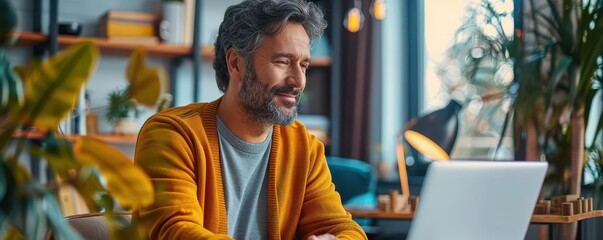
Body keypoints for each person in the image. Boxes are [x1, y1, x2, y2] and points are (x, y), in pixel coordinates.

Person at [132, 0, 367, 239]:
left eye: (304, 65)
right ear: (236, 63)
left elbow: (346, 230)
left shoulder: (304, 149)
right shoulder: (172, 134)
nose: (299, 81)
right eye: (283, 62)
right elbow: (174, 231)